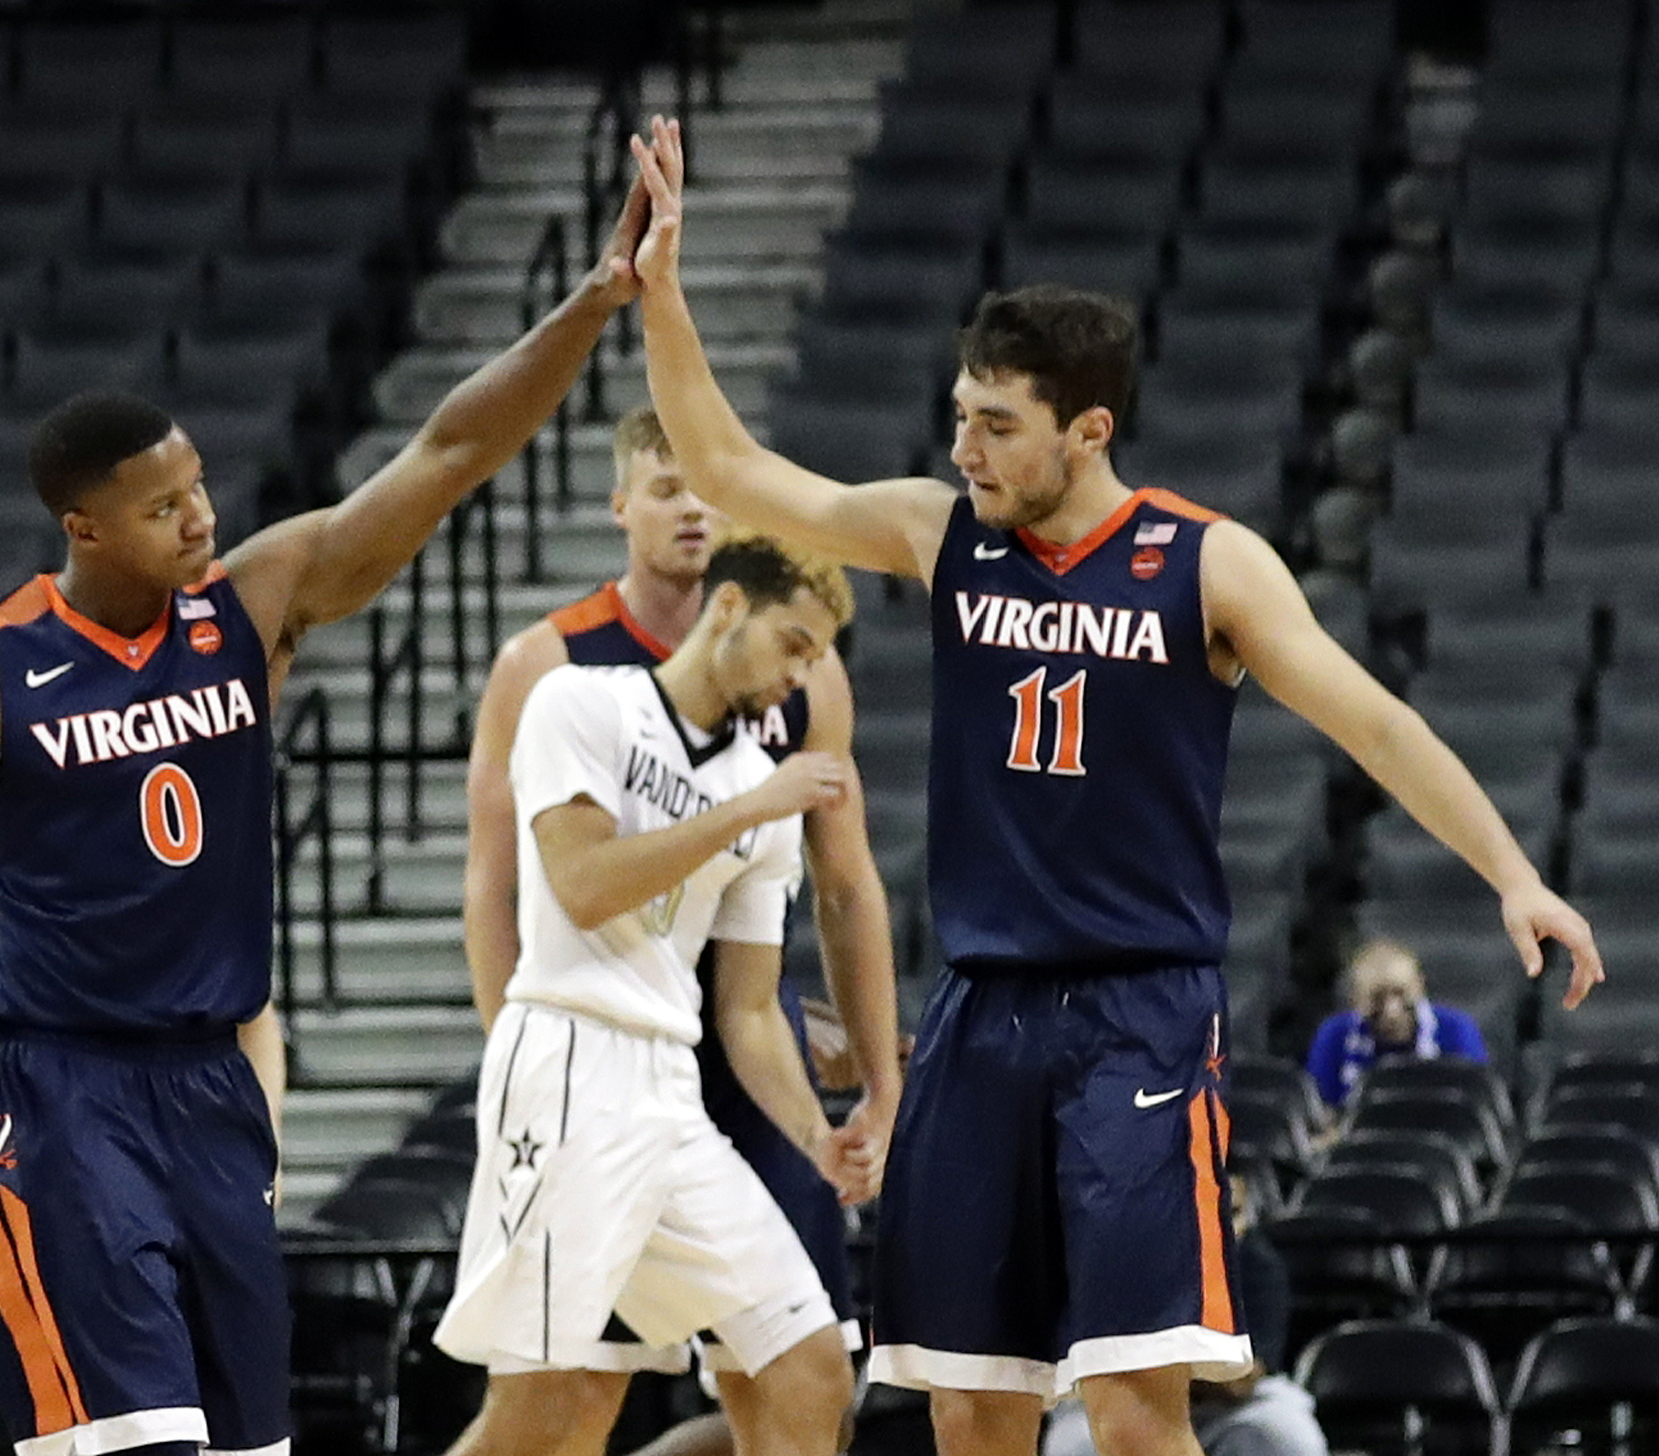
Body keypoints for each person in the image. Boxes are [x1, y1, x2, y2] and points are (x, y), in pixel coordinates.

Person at [626, 116, 1603, 1456]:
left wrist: (1514, 872)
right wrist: (664, 296)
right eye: (959, 415)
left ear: (1086, 431)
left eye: (996, 425)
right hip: (977, 1013)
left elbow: (1371, 722)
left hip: (1139, 1016)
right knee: (971, 1403)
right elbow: (738, 473)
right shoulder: (939, 530)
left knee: (1141, 1409)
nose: (964, 446)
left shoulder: (1207, 565)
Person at [0, 153, 663, 1456]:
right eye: (164, 505)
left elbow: (447, 453)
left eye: (201, 488)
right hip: (67, 1097)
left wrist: (595, 302)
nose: (199, 518)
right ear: (86, 527)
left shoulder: (253, 603)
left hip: (213, 1088)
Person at [461, 406, 901, 1456]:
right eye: (667, 487)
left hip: (697, 1073)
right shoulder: (564, 682)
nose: (693, 510)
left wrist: (843, 1113)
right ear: (621, 506)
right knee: (556, 1408)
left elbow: (787, 957)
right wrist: (509, 1054)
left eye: (710, 489)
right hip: (572, 1055)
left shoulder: (776, 745)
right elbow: (531, 889)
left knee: (805, 1370)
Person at [0, 836, 287, 1307]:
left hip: (173, 1177)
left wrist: (264, 1154)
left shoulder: (166, 851)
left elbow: (250, 1018)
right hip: (38, 1193)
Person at [1041, 1170, 1328, 1456]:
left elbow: (1245, 1380)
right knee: (1072, 1442)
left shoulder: (1255, 1263)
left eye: (1233, 1213)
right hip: (1132, 1398)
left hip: (1228, 1407)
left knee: (1290, 1434)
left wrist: (1167, 1363)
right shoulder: (1125, 1256)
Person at [1303, 939, 1488, 1110]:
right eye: (1377, 999)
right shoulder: (1335, 1036)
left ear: (1419, 987)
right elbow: (1320, 1111)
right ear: (1356, 999)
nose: (1391, 1011)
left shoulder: (1457, 1031)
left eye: (1401, 994)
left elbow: (1480, 1106)